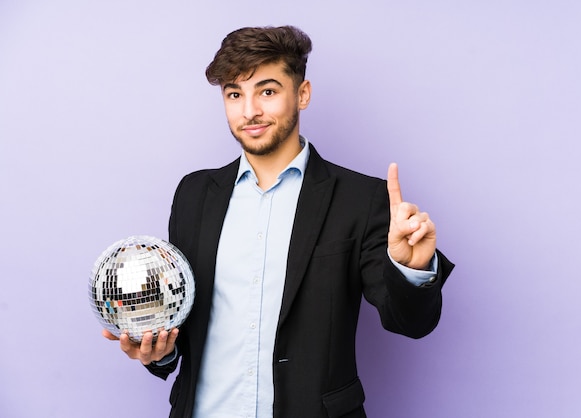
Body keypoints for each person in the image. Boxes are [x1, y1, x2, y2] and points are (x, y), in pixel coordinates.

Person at [103, 25, 454, 418]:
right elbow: (180, 322)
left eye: (267, 92)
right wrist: (160, 353)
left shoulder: (360, 199)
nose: (249, 110)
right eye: (235, 94)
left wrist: (412, 267)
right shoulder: (194, 195)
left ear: (302, 94)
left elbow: (410, 322)